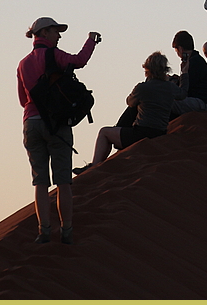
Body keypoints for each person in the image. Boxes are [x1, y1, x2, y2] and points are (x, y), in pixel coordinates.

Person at [17, 17, 101, 245]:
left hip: (31, 124)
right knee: (63, 180)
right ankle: (67, 230)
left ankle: (44, 231)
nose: (59, 35)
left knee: (40, 182)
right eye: (56, 31)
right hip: (56, 124)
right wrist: (91, 41)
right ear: (44, 33)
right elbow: (80, 60)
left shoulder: (23, 64)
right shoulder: (54, 55)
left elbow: (23, 99)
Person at [74, 51, 185, 175]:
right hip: (160, 132)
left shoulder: (143, 88)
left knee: (104, 132)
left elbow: (130, 102)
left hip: (140, 133)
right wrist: (182, 75)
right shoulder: (170, 87)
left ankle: (94, 166)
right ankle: (101, 164)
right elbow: (182, 94)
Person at [170, 30, 207, 119]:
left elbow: (185, 89)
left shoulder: (194, 63)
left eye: (176, 50)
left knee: (168, 103)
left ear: (180, 49)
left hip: (204, 102)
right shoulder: (195, 60)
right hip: (203, 101)